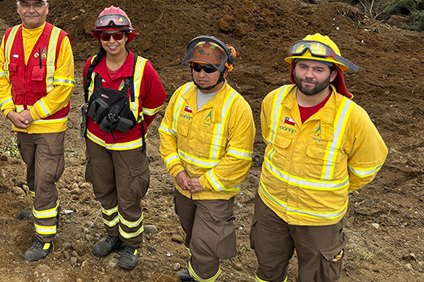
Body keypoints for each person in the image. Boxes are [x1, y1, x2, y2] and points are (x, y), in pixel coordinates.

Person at [252, 34, 387, 282]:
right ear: (294, 69)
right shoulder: (274, 100)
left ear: (333, 75)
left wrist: (333, 189)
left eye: (318, 69)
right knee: (268, 270)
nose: (309, 75)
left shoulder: (352, 117)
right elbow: (267, 140)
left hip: (319, 219)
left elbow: (369, 164)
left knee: (317, 277)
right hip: (271, 208)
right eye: (302, 66)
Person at [159, 36, 255, 281]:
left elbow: (240, 158)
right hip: (184, 187)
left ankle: (203, 275)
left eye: (209, 69)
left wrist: (204, 182)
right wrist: (177, 171)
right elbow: (167, 134)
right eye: (196, 67)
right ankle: (196, 269)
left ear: (225, 71)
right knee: (192, 235)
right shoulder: (182, 95)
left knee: (207, 244)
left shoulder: (237, 107)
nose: (201, 74)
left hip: (214, 193)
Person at [0, 0, 75, 262]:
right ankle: (47, 206)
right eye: (26, 5)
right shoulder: (9, 36)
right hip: (21, 124)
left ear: (46, 8)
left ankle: (44, 237)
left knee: (43, 178)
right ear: (17, 8)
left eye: (36, 5)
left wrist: (33, 113)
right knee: (33, 174)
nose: (31, 10)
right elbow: (2, 77)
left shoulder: (59, 39)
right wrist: (9, 111)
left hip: (49, 126)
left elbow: (64, 87)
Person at [83, 7, 166, 271]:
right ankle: (113, 235)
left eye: (117, 35)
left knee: (129, 195)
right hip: (96, 142)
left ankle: (131, 242)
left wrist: (134, 127)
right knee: (104, 189)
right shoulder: (92, 66)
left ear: (127, 36)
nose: (111, 41)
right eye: (105, 36)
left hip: (128, 146)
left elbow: (154, 103)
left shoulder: (143, 69)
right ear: (99, 38)